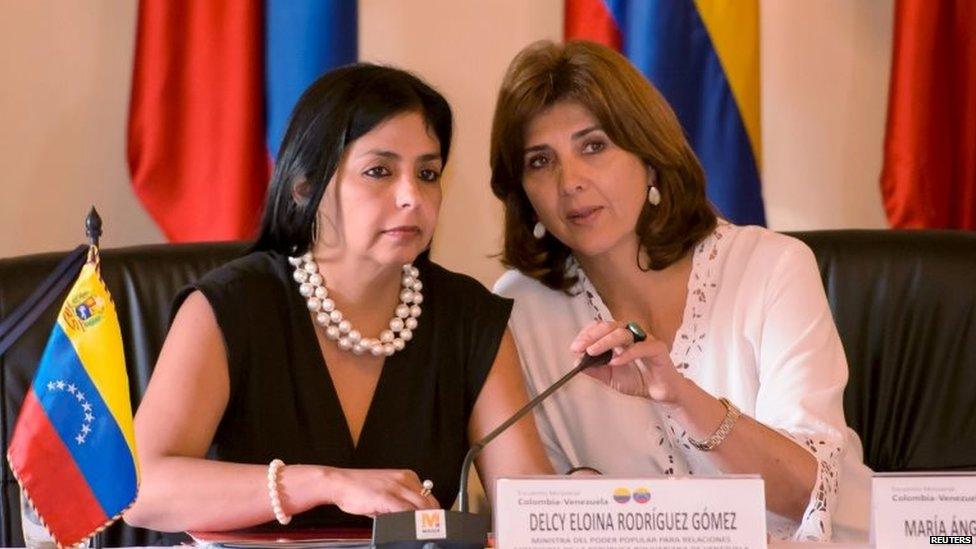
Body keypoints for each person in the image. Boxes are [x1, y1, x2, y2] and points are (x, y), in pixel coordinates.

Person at [124, 64, 552, 533]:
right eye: (379, 171)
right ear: (305, 187)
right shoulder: (230, 306)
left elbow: (530, 513)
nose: (412, 196)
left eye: (428, 173)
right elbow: (141, 489)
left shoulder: (467, 318)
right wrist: (324, 484)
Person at [490, 40, 871, 542]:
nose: (570, 182)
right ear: (522, 192)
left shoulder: (770, 268)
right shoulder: (522, 310)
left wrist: (681, 397)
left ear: (650, 158)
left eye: (594, 146)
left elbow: (808, 495)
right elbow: (536, 509)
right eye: (540, 161)